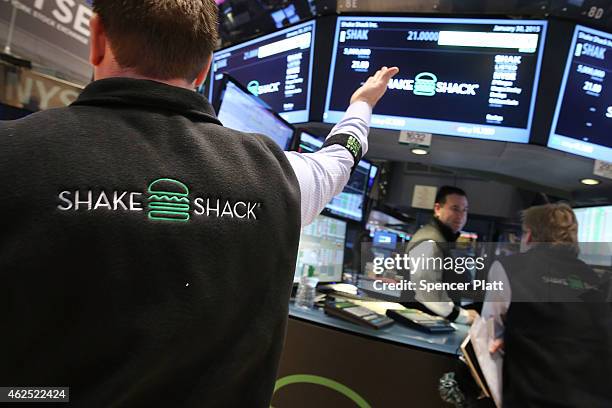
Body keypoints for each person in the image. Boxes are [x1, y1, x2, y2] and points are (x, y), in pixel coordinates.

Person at [0, 1, 399, 407]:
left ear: (97, 37)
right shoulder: (280, 176)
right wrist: (361, 104)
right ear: (205, 66)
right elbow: (341, 157)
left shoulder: (10, 154)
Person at [482, 203, 612, 407]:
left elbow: (489, 333)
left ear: (530, 235)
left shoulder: (510, 268)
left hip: (530, 397)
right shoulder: (595, 280)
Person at [404, 186, 478, 324]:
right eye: (455, 209)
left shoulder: (443, 239)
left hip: (430, 324)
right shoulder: (429, 240)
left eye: (465, 210)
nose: (461, 216)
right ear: (438, 208)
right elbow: (427, 290)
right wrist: (462, 316)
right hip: (421, 326)